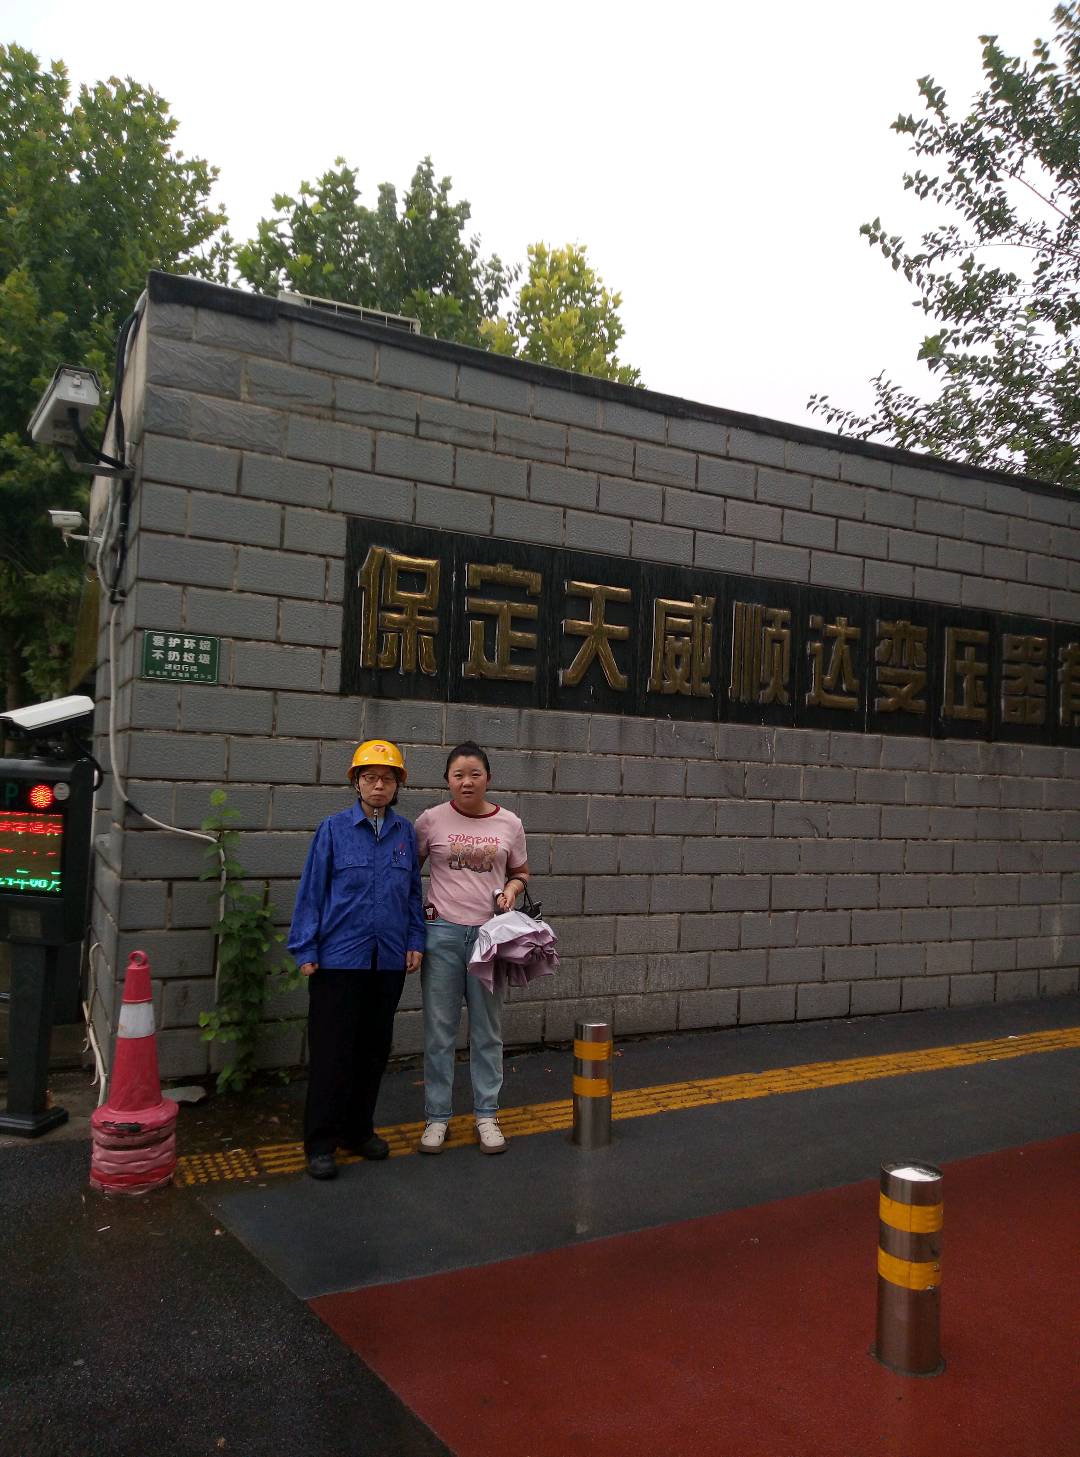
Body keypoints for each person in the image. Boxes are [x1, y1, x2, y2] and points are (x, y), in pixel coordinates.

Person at [288, 739, 425, 1180]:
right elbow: (312, 891)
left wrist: (415, 939)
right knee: (332, 1053)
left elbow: (413, 894)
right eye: (370, 777)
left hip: (387, 962)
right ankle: (320, 1143)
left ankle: (358, 1131)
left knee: (372, 1051)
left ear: (398, 785)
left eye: (387, 778)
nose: (378, 785)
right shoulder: (332, 830)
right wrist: (305, 947)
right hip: (338, 961)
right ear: (356, 782)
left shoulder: (405, 834)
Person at [414, 741, 529, 1155]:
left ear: (488, 779)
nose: (467, 782)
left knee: (487, 1031)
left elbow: (521, 872)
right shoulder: (430, 821)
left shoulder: (510, 823)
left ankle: (487, 1115)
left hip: (487, 938)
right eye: (458, 775)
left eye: (475, 774)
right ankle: (437, 1118)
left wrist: (511, 890)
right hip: (441, 935)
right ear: (447, 780)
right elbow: (408, 874)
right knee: (439, 1031)